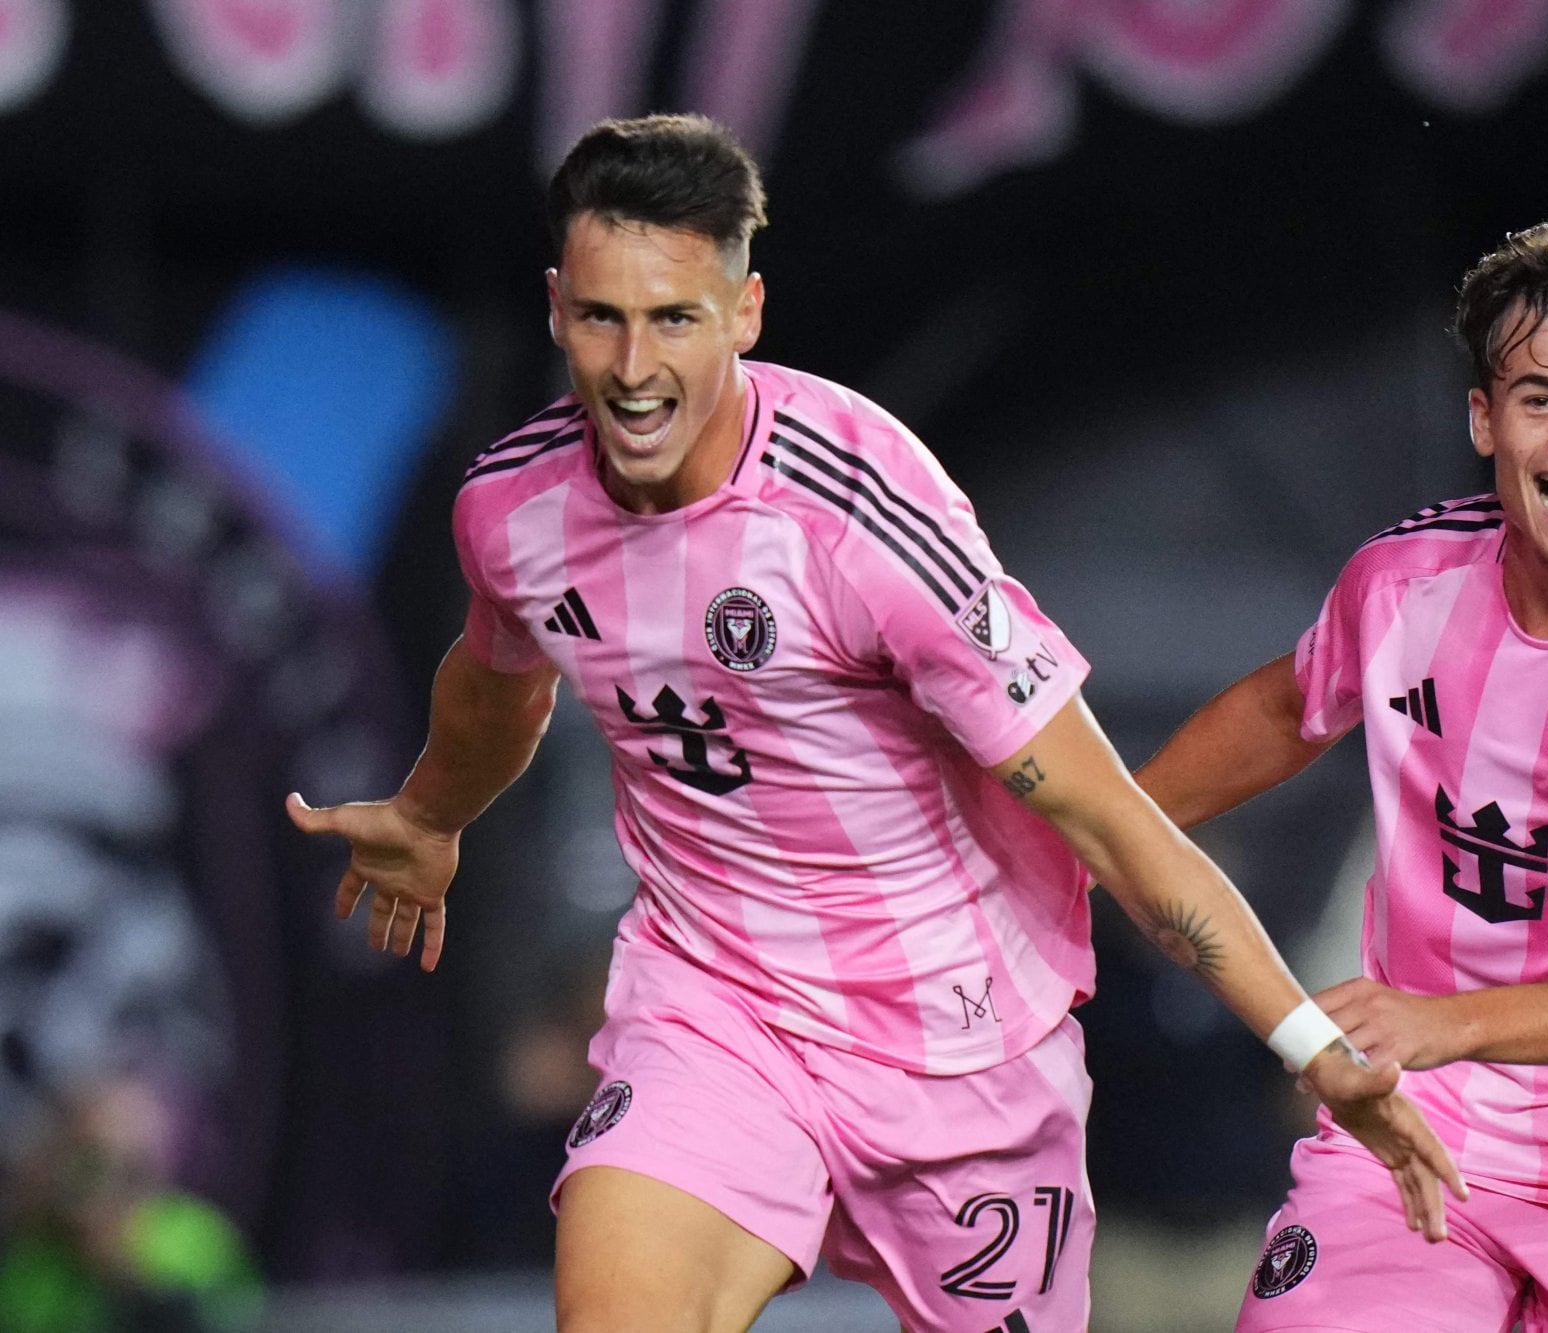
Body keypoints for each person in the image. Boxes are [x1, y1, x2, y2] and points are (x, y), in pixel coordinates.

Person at [284, 112, 1461, 1333]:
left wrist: (1312, 1044)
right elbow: (496, 679)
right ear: (554, 306)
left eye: (674, 318)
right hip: (717, 1013)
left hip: (961, 1051)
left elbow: (1107, 816)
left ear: (743, 312)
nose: (633, 368)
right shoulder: (514, 510)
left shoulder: (861, 515)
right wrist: (429, 811)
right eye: (601, 317)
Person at [1136, 207, 1548, 1331]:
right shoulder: (1402, 582)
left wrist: (1448, 1019)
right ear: (1483, 420)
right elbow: (1285, 703)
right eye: (1537, 396)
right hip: (1421, 1127)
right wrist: (1102, 822)